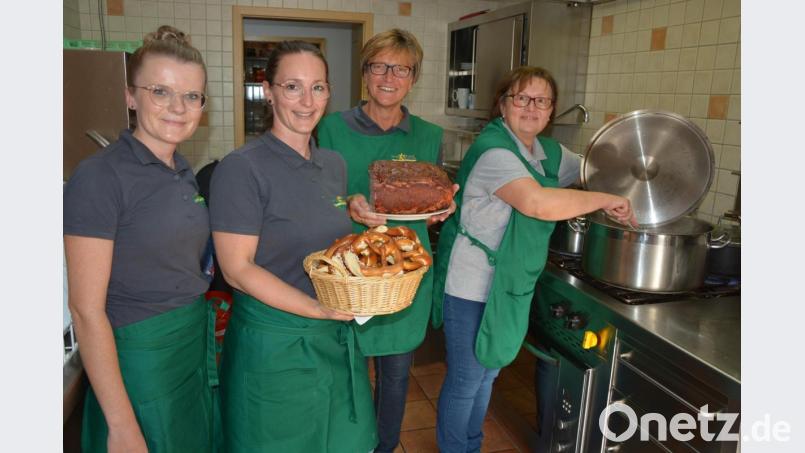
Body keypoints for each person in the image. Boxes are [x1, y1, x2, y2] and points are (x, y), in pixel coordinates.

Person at [432, 66, 637, 453]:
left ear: (551, 110)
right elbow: (537, 202)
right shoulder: (494, 150)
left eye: (541, 101)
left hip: (510, 282)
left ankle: (469, 445)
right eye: (521, 98)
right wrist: (606, 199)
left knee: (487, 374)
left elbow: (597, 166)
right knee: (467, 379)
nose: (531, 107)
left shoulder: (548, 153)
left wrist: (638, 168)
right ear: (502, 105)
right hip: (471, 284)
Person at [209, 41, 377, 452]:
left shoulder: (333, 164)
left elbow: (318, 235)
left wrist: (358, 216)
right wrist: (317, 308)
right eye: (292, 87)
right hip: (273, 349)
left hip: (332, 341)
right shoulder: (241, 168)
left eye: (318, 87)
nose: (307, 101)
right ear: (268, 91)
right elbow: (237, 269)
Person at [64, 26, 217, 452]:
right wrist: (121, 424)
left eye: (191, 96)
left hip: (189, 346)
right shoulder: (100, 176)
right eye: (160, 92)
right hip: (139, 360)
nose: (178, 108)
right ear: (131, 96)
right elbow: (86, 310)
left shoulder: (182, 170)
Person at [316, 28, 456, 453]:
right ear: (365, 74)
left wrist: (442, 206)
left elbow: (428, 199)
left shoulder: (428, 135)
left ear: (413, 78)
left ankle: (385, 447)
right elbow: (315, 197)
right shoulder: (330, 128)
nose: (389, 77)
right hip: (349, 275)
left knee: (395, 375)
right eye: (379, 66)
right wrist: (347, 205)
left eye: (401, 69)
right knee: (347, 372)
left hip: (404, 275)